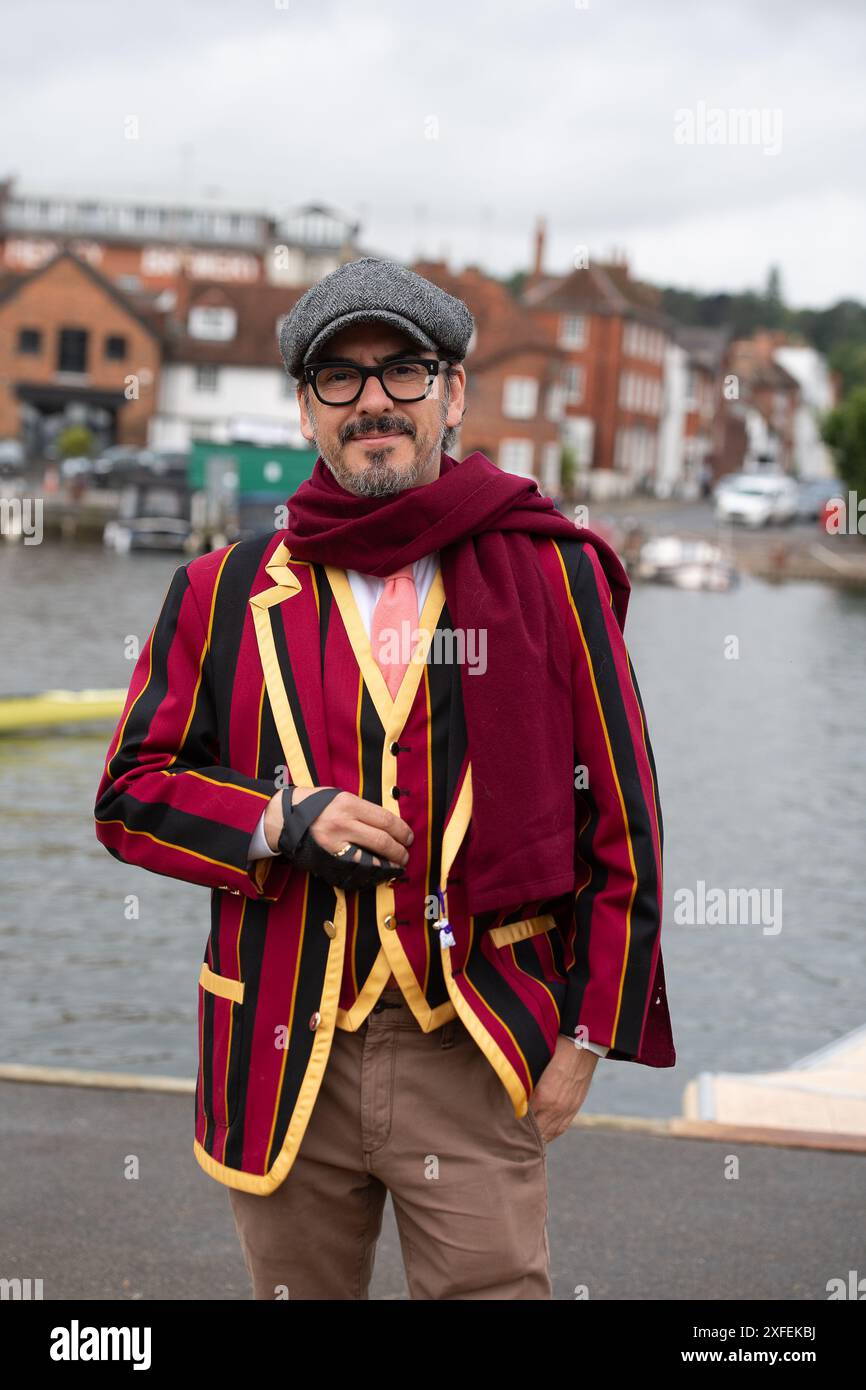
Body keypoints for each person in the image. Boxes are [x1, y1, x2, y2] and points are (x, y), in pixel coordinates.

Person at [94, 257, 674, 1300]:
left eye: (402, 370)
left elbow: (622, 818)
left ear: (451, 392)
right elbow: (131, 791)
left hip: (477, 1040)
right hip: (280, 1045)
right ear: (306, 412)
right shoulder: (218, 592)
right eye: (339, 378)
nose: (372, 400)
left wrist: (587, 1036)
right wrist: (277, 821)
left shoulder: (553, 569)